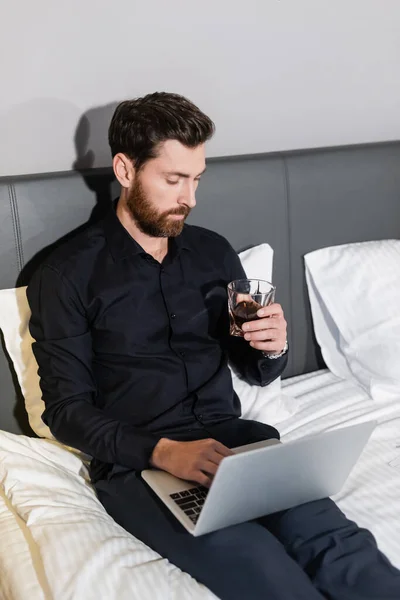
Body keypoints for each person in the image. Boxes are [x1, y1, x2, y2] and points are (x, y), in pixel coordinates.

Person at [27, 92, 400, 600]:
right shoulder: (66, 275)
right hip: (144, 466)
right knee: (267, 574)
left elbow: (257, 370)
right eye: (174, 179)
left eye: (197, 178)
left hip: (240, 443)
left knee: (343, 548)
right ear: (125, 169)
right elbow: (66, 411)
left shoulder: (212, 252)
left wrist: (271, 347)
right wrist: (164, 452)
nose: (190, 198)